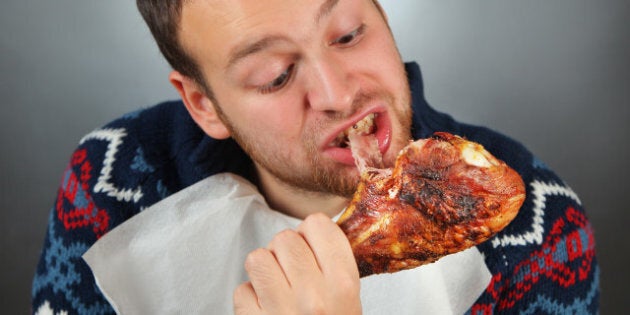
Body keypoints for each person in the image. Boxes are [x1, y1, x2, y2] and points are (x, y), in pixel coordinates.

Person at [31, 0, 599, 314]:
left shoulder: (531, 226)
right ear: (206, 106)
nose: (337, 94)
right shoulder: (112, 181)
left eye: (349, 34)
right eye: (275, 76)